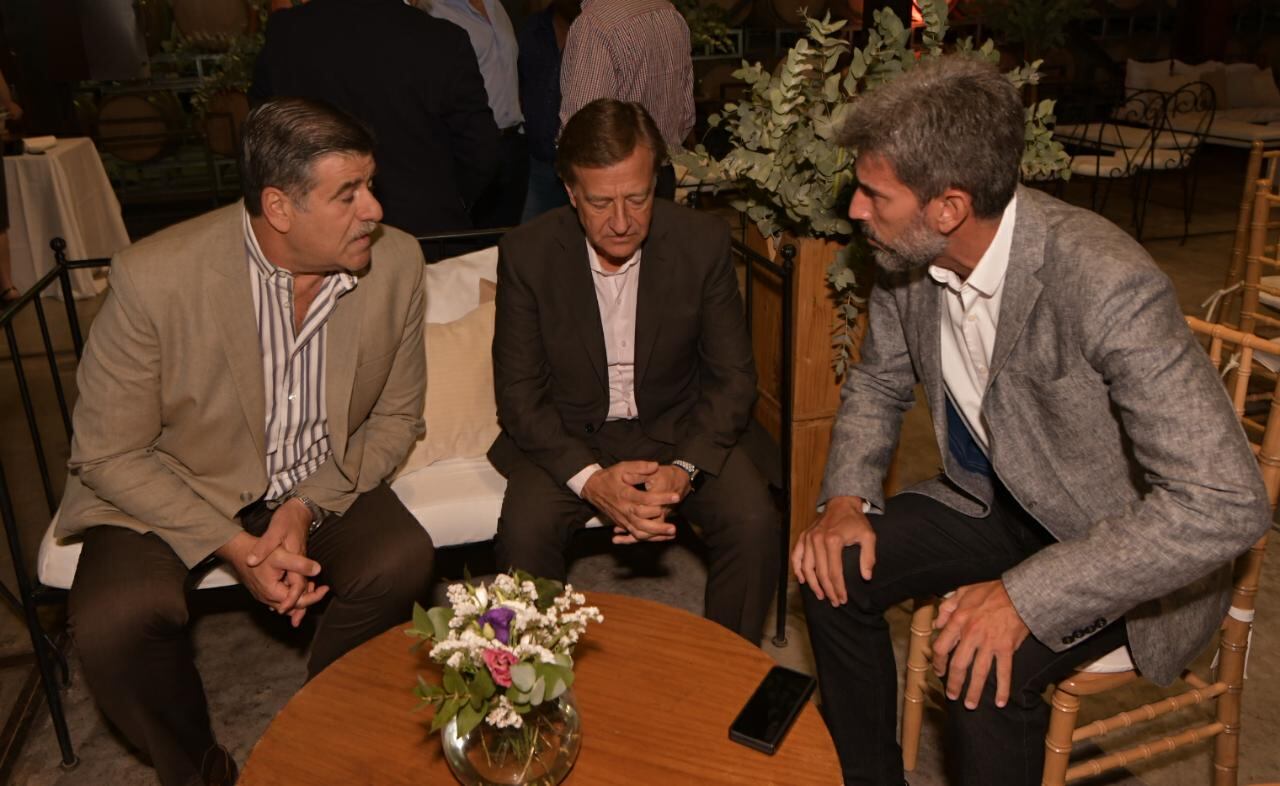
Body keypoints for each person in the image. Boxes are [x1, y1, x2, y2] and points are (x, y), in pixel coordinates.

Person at [791, 55, 1271, 786]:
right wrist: (846, 498)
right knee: (831, 575)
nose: (855, 209)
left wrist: (1026, 596)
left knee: (980, 668)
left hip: (1115, 542)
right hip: (995, 499)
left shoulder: (1107, 283)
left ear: (948, 207)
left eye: (872, 193)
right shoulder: (903, 252)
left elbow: (1227, 502)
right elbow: (881, 379)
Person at [60, 98, 435, 786]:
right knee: (117, 620)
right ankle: (199, 769)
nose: (375, 210)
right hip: (177, 480)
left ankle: (318, 735)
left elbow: (395, 420)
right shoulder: (155, 278)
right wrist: (237, 549)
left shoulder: (398, 263)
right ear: (280, 207)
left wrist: (301, 511)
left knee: (401, 557)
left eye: (371, 186)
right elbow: (108, 453)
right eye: (348, 194)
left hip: (315, 478)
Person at [489, 99, 778, 642]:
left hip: (679, 426)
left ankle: (731, 677)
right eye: (600, 202)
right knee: (524, 534)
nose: (621, 222)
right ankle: (530, 696)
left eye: (637, 198)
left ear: (656, 183)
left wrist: (685, 470)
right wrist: (592, 482)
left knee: (754, 523)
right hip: (571, 435)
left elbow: (734, 378)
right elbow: (520, 396)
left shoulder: (702, 242)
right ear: (571, 193)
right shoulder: (527, 254)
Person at [250, 0, 500, 238]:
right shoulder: (441, 38)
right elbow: (481, 149)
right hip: (426, 230)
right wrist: (448, 199)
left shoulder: (285, 34)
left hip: (321, 230)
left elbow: (262, 135)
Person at [558, 0, 694, 200]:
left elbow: (584, 132)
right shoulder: (669, 12)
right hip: (663, 174)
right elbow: (687, 115)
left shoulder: (595, 23)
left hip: (615, 183)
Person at [420, 0, 528, 228]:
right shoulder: (434, 9)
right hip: (470, 146)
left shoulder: (495, 5)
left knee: (508, 240)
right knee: (472, 240)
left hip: (514, 143)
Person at [517, 0, 579, 221]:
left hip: (582, 164)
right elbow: (519, 81)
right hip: (539, 163)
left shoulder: (595, 29)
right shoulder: (532, 28)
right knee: (533, 240)